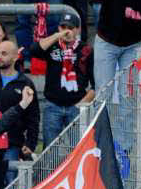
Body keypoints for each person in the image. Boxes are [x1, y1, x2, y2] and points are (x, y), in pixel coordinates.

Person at [31, 11, 94, 147]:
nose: (67, 31)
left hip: (76, 106)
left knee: (78, 149)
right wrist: (57, 36)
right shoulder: (52, 45)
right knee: (50, 150)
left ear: (78, 30)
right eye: (63, 27)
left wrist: (81, 105)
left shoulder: (86, 50)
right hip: (53, 105)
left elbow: (96, 84)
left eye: (70, 28)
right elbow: (34, 50)